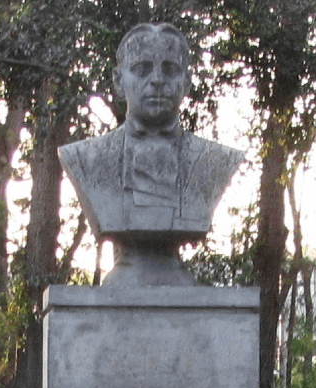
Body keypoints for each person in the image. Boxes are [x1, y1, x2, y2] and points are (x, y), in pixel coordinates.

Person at [57, 22, 246, 287]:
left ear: (186, 82)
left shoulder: (216, 161)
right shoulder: (84, 159)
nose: (157, 80)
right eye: (142, 69)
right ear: (118, 81)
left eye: (170, 70)